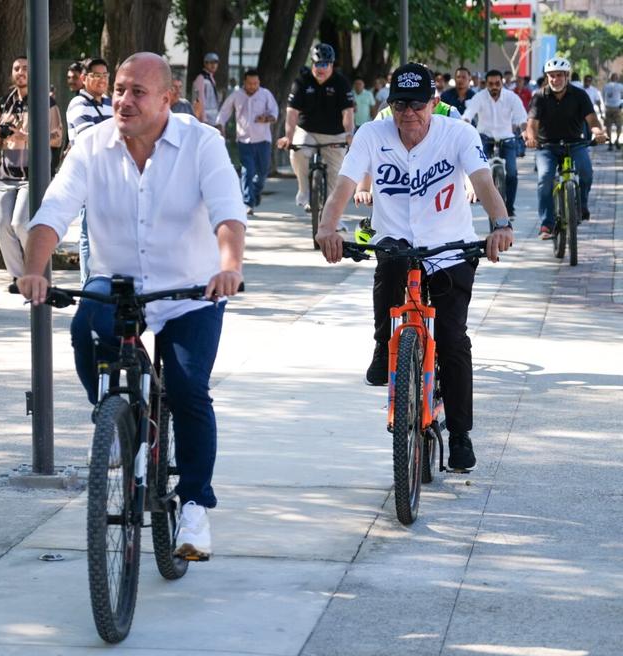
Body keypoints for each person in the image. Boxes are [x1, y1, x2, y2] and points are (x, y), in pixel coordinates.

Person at [17, 52, 246, 560]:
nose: (123, 100)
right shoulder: (91, 145)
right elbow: (52, 212)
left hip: (191, 289)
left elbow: (228, 214)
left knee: (188, 388)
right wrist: (35, 270)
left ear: (168, 98)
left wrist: (228, 265)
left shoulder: (201, 143)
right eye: (119, 89)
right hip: (118, 282)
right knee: (83, 329)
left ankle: (194, 507)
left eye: (137, 92)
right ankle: (120, 421)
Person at [316, 62, 515, 472]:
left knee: (452, 339)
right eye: (400, 104)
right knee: (386, 282)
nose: (409, 113)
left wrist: (500, 225)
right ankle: (381, 347)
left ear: (434, 103)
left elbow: (483, 183)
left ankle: (460, 435)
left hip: (449, 248)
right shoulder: (373, 134)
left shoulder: (458, 133)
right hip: (396, 245)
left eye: (418, 104)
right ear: (390, 106)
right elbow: (345, 185)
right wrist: (327, 227)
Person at [0, 56, 64, 279]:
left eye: (26, 68)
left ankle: (35, 270)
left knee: (20, 223)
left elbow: (57, 139)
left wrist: (25, 136)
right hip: (6, 172)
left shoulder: (45, 102)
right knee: (1, 224)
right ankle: (19, 278)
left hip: (33, 174)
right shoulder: (4, 102)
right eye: (16, 68)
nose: (20, 72)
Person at [525, 57, 606, 240]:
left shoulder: (579, 95)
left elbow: (592, 119)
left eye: (559, 75)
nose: (555, 79)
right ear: (547, 77)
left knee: (586, 172)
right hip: (547, 146)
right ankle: (546, 224)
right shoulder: (539, 96)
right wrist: (531, 138)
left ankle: (582, 204)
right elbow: (532, 124)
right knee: (544, 178)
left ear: (567, 76)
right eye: (552, 76)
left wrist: (598, 132)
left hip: (576, 144)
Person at [276, 43, 355, 213]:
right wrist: (288, 136)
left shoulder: (341, 82)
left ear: (331, 65)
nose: (321, 69)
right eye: (317, 64)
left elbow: (348, 112)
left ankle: (333, 218)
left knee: (336, 175)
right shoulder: (302, 81)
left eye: (325, 64)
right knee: (297, 152)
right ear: (312, 63)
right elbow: (292, 112)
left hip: (335, 134)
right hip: (307, 130)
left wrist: (349, 134)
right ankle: (304, 191)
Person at [66, 57, 114, 283]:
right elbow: (89, 138)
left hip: (110, 176)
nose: (103, 80)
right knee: (88, 233)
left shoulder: (108, 103)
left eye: (105, 76)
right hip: (89, 176)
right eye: (97, 76)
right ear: (84, 79)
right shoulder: (78, 104)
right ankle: (88, 285)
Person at [462, 69, 527, 217]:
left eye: (497, 83)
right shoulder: (479, 97)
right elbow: (468, 115)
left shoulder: (512, 97)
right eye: (490, 84)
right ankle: (479, 197)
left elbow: (521, 118)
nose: (494, 87)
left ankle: (509, 207)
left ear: (502, 83)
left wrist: (524, 131)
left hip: (507, 138)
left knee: (512, 173)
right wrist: (464, 125)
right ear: (486, 84)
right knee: (478, 170)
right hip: (484, 137)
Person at [217, 68, 279, 214]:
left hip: (263, 140)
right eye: (250, 83)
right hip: (244, 140)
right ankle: (247, 202)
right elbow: (225, 111)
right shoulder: (237, 95)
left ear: (259, 82)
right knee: (247, 171)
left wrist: (267, 118)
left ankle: (256, 193)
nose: (252, 86)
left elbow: (274, 112)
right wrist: (221, 125)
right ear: (244, 82)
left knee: (263, 172)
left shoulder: (265, 94)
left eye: (255, 83)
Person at [192, 52, 223, 127]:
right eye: (210, 62)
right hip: (206, 121)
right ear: (205, 63)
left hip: (213, 120)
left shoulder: (210, 78)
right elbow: (200, 99)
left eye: (215, 62)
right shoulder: (201, 78)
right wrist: (203, 119)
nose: (213, 65)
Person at [602, 73, 623, 149]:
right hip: (617, 108)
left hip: (608, 108)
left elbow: (603, 96)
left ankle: (610, 142)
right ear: (617, 78)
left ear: (610, 78)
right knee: (619, 125)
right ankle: (617, 140)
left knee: (608, 126)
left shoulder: (605, 86)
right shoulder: (620, 86)